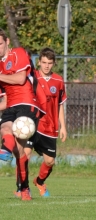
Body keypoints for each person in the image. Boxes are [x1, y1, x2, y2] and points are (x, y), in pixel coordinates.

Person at [14, 47, 67, 198]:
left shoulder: (58, 81)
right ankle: (22, 188)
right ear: (39, 62)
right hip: (33, 123)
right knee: (26, 154)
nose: (46, 65)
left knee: (50, 161)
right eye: (44, 62)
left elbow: (60, 104)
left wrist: (63, 126)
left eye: (49, 63)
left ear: (54, 63)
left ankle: (39, 181)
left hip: (50, 127)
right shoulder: (32, 77)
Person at [0, 28, 44, 200]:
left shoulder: (18, 53)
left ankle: (4, 150)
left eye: (0, 44)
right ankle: (24, 187)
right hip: (10, 106)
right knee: (6, 131)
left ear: (7, 42)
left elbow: (20, 79)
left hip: (27, 103)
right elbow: (3, 100)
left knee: (19, 146)